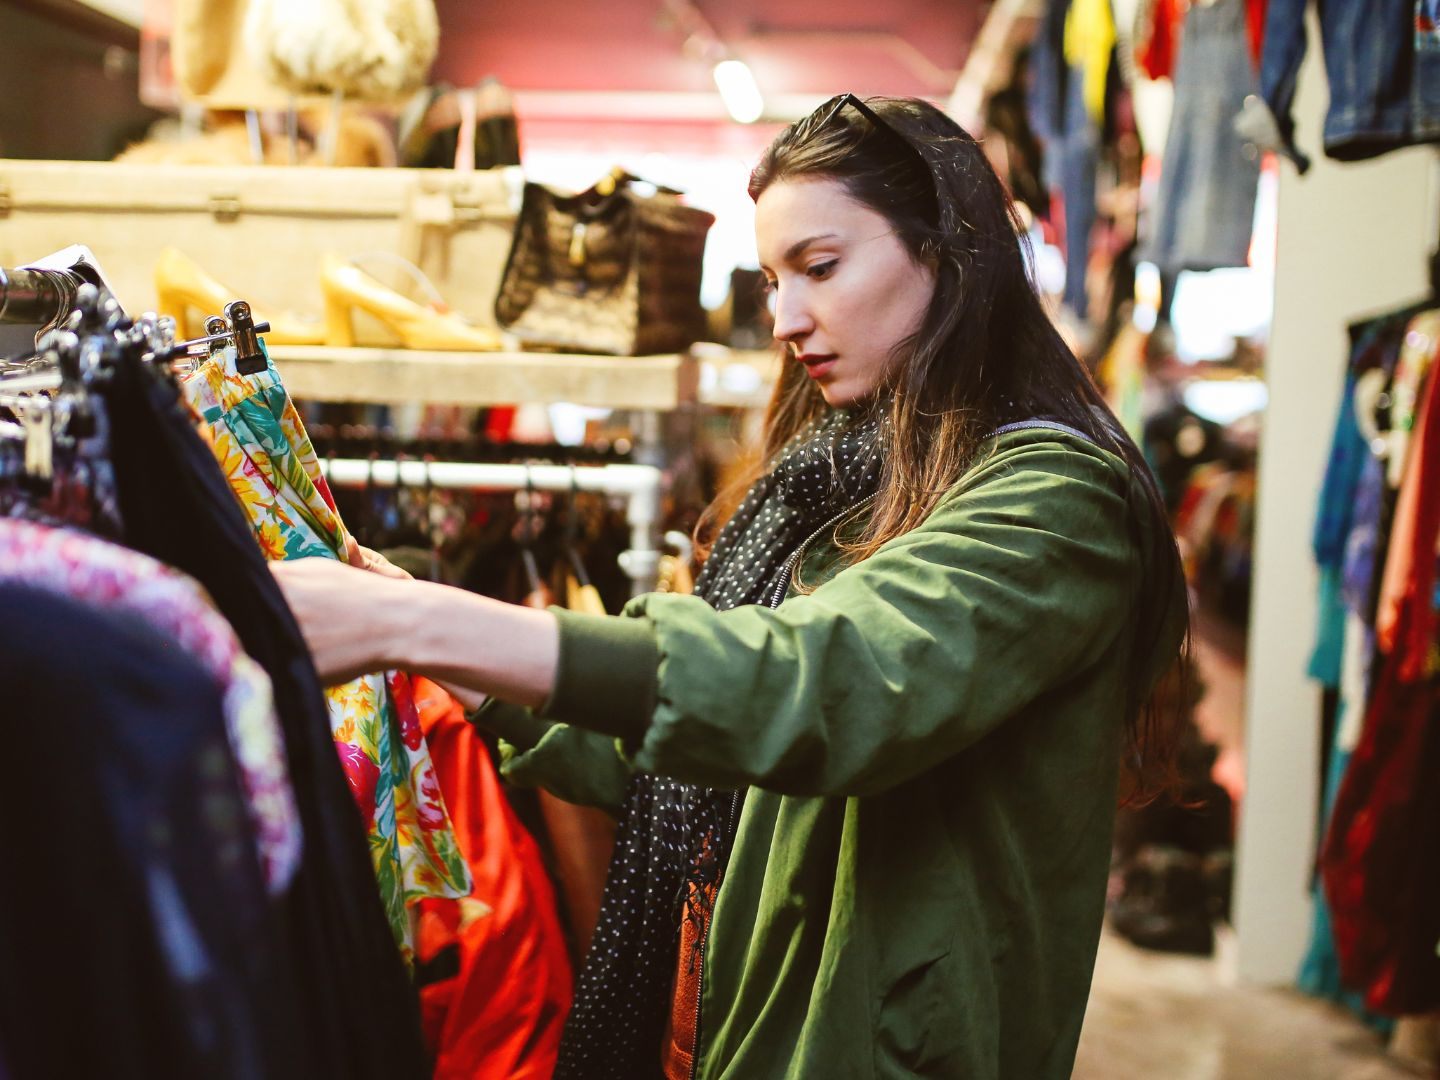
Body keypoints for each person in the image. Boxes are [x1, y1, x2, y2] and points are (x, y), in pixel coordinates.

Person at [274, 94, 1190, 1080]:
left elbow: (821, 681)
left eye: (822, 268)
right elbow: (672, 751)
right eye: (771, 279)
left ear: (945, 253)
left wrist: (419, 617)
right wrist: (422, 634)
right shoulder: (834, 483)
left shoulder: (1056, 503)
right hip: (743, 1013)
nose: (785, 319)